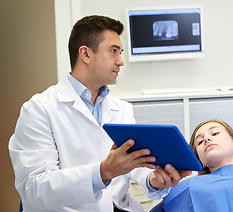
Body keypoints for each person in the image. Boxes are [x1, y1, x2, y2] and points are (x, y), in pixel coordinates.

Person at [8, 15, 191, 212]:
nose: (121, 61)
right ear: (85, 54)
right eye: (113, 51)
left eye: (120, 52)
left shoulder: (122, 109)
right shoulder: (39, 109)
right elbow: (35, 188)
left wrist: (153, 180)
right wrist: (103, 172)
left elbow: (132, 166)